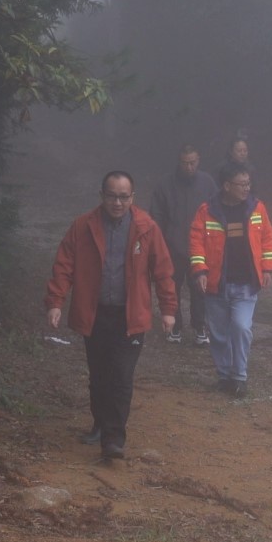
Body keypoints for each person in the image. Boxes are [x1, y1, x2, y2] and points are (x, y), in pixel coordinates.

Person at [45, 171, 178, 460]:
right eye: (112, 196)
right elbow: (64, 265)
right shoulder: (83, 226)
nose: (117, 203)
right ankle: (100, 423)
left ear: (133, 197)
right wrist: (56, 301)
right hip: (95, 314)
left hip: (130, 316)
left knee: (122, 376)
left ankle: (114, 439)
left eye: (123, 197)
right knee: (99, 375)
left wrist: (169, 310)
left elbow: (163, 271)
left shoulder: (146, 227)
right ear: (102, 196)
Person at [189, 162, 272, 397]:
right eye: (242, 184)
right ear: (227, 186)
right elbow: (196, 242)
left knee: (241, 327)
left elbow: (268, 238)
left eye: (248, 183)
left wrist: (267, 268)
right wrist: (200, 270)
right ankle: (225, 376)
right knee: (218, 334)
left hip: (246, 284)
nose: (247, 188)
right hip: (217, 284)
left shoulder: (257, 208)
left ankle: (240, 377)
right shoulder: (207, 210)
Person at [148, 145, 218, 346]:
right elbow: (157, 215)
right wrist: (160, 243)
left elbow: (217, 211)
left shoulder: (207, 183)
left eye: (193, 162)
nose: (189, 167)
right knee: (172, 287)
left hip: (200, 247)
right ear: (179, 162)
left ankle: (200, 326)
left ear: (199, 160)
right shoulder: (165, 184)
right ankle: (175, 325)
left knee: (200, 288)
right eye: (185, 163)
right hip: (172, 246)